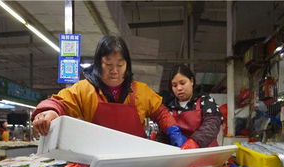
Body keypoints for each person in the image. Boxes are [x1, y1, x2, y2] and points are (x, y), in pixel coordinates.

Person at [31, 35, 187, 149]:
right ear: (99, 63)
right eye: (108, 64)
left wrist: (174, 132)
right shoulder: (85, 89)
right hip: (94, 164)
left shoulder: (140, 90)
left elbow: (161, 113)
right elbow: (59, 103)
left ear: (128, 65)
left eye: (120, 65)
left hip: (135, 160)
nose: (114, 71)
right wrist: (49, 112)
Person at [164, 64, 224, 148]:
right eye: (174, 85)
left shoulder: (206, 101)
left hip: (206, 155)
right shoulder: (169, 108)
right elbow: (163, 136)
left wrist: (195, 142)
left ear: (191, 81)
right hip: (182, 157)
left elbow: (212, 124)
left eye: (182, 83)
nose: (179, 88)